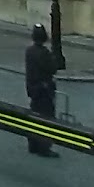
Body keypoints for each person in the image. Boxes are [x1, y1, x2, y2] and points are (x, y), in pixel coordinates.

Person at [24, 23, 58, 157]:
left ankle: (33, 144)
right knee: (46, 117)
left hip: (33, 88)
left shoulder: (29, 51)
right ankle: (44, 147)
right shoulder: (44, 53)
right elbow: (52, 68)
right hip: (44, 89)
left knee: (34, 114)